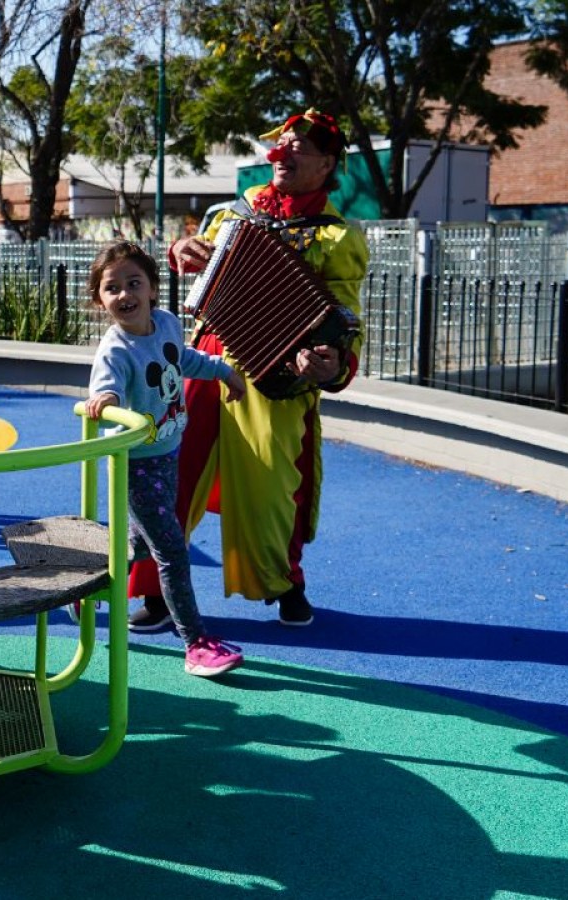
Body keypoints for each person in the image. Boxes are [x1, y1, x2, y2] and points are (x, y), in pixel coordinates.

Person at [134, 108, 370, 629]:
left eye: (299, 148)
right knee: (172, 468)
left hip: (279, 369)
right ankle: (156, 590)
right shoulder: (234, 213)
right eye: (281, 144)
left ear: (327, 164)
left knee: (274, 484)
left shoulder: (337, 237)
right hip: (209, 354)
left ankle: (286, 583)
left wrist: (330, 362)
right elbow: (199, 267)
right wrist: (179, 250)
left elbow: (344, 319)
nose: (282, 154)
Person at [84, 242, 247, 678]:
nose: (124, 294)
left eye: (133, 283)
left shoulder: (167, 324)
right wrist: (106, 400)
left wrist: (223, 370)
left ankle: (85, 587)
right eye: (112, 288)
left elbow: (183, 359)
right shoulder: (116, 350)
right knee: (171, 550)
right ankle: (195, 643)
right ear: (100, 300)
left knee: (140, 544)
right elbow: (106, 387)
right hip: (136, 462)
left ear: (153, 288)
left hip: (168, 450)